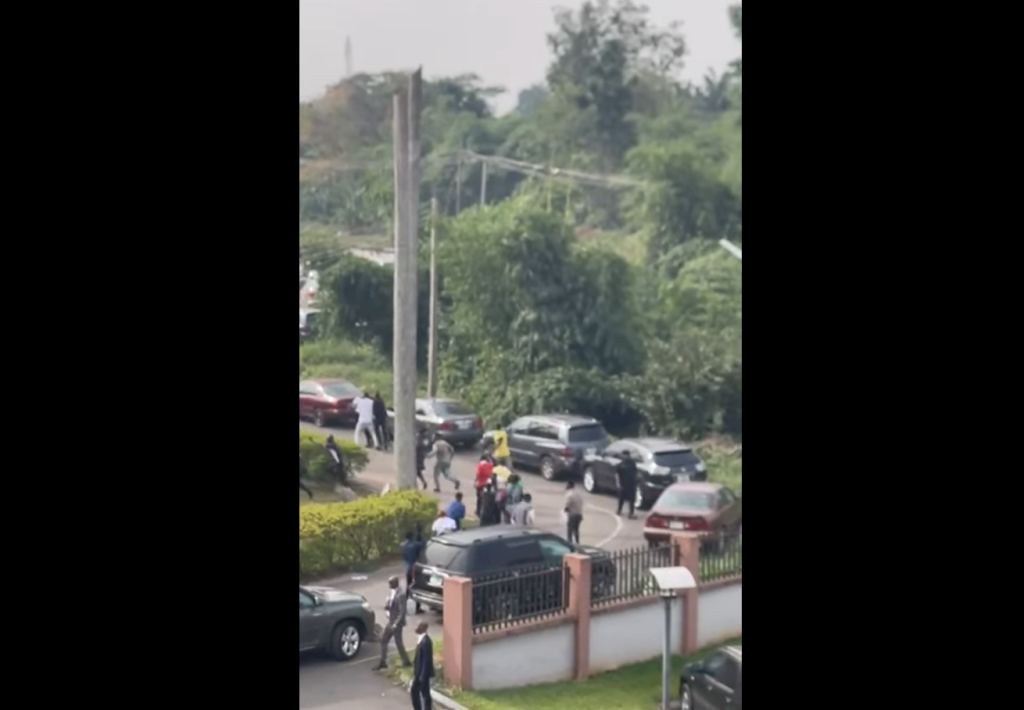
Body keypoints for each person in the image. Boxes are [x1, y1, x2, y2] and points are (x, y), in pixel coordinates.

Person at [376, 576, 410, 670]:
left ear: (395, 583)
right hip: (391, 620)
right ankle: (383, 662)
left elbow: (402, 612)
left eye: (390, 583)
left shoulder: (401, 595)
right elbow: (391, 606)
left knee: (398, 643)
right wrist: (387, 606)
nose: (389, 585)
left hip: (396, 623)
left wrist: (396, 624)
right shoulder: (392, 593)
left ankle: (406, 661)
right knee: (383, 639)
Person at [400, 530, 425, 614]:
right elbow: (423, 544)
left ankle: (403, 605)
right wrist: (420, 534)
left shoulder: (402, 545)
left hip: (407, 567)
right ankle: (417, 607)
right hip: (414, 567)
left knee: (408, 587)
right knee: (416, 587)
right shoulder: (415, 545)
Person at [411, 621, 434, 710]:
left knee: (424, 694)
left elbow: (426, 660)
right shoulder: (421, 639)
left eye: (418, 626)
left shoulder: (426, 642)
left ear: (423, 628)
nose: (416, 627)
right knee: (419, 692)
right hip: (418, 673)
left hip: (422, 674)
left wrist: (423, 676)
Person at [615, 450, 639, 519]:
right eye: (624, 455)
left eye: (627, 455)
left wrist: (636, 481)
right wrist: (618, 483)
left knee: (632, 499)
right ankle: (619, 510)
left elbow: (635, 472)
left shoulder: (632, 464)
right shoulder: (620, 465)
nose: (625, 457)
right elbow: (617, 475)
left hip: (631, 484)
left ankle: (631, 513)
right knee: (621, 498)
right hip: (623, 484)